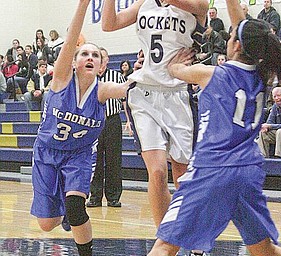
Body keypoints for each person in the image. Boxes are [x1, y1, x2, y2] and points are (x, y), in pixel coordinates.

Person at [147, 0, 281, 255]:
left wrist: (179, 61)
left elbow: (173, 70)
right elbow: (241, 26)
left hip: (212, 169)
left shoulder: (211, 74)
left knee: (165, 245)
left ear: (237, 45)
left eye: (231, 36)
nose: (228, 37)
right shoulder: (263, 77)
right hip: (247, 172)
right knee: (264, 249)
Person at [30, 1, 129, 256]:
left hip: (79, 156)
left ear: (101, 66)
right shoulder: (62, 78)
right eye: (84, 53)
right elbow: (72, 37)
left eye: (95, 55)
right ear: (74, 62)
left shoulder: (103, 91)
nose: (90, 57)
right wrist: (84, 4)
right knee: (47, 224)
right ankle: (61, 207)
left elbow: (130, 88)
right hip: (47, 153)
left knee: (76, 208)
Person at [101, 0, 208, 227]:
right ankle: (164, 240)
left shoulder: (197, 3)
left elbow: (198, 7)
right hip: (145, 92)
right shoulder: (144, 4)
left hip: (179, 91)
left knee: (183, 174)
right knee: (157, 171)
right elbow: (109, 25)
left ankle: (193, 238)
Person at [86, 47, 128, 208]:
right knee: (95, 160)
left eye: (102, 57)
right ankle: (95, 196)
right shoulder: (89, 78)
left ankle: (113, 197)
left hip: (112, 121)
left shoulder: (117, 76)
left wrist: (130, 121)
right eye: (98, 57)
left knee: (114, 160)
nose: (100, 60)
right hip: (93, 123)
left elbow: (125, 100)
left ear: (107, 60)